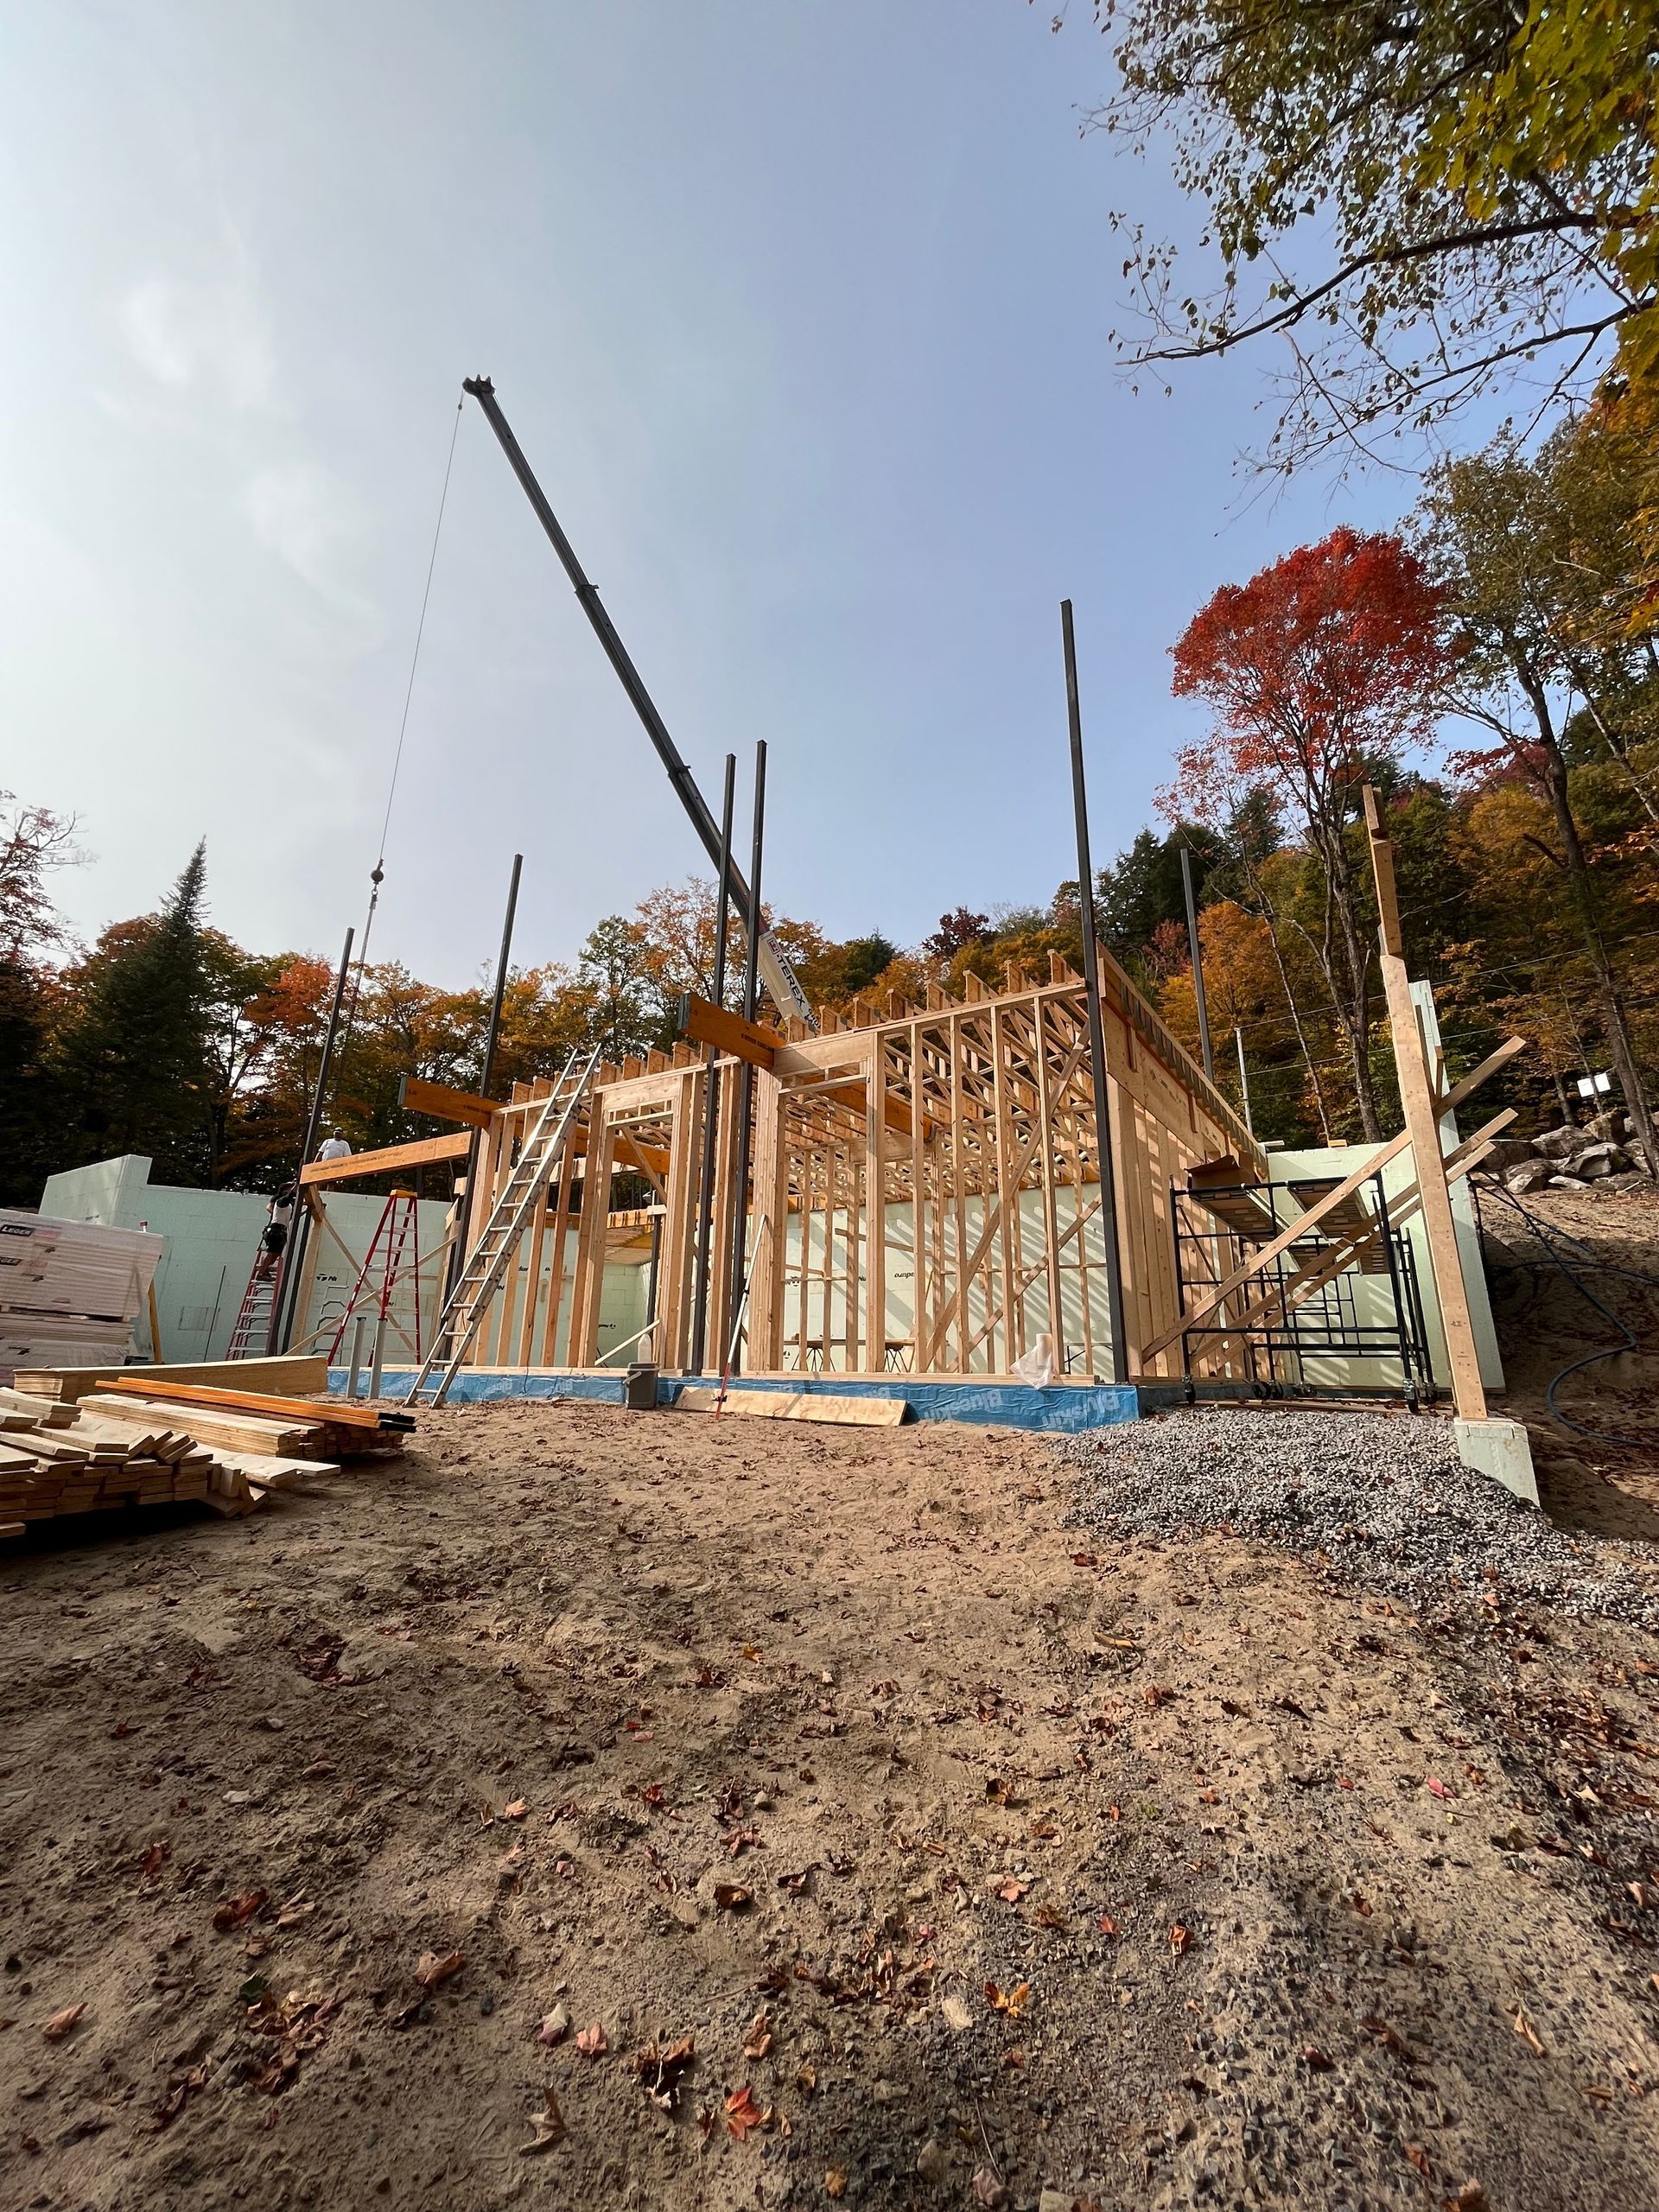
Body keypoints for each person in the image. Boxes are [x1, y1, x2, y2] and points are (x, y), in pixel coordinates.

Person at [252, 1179, 297, 1281]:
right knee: (271, 1252)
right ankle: (261, 1273)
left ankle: (264, 1269)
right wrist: (297, 1185)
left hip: (280, 1231)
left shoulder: (289, 1204)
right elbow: (290, 1195)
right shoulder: (281, 1202)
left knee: (275, 1253)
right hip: (275, 1230)